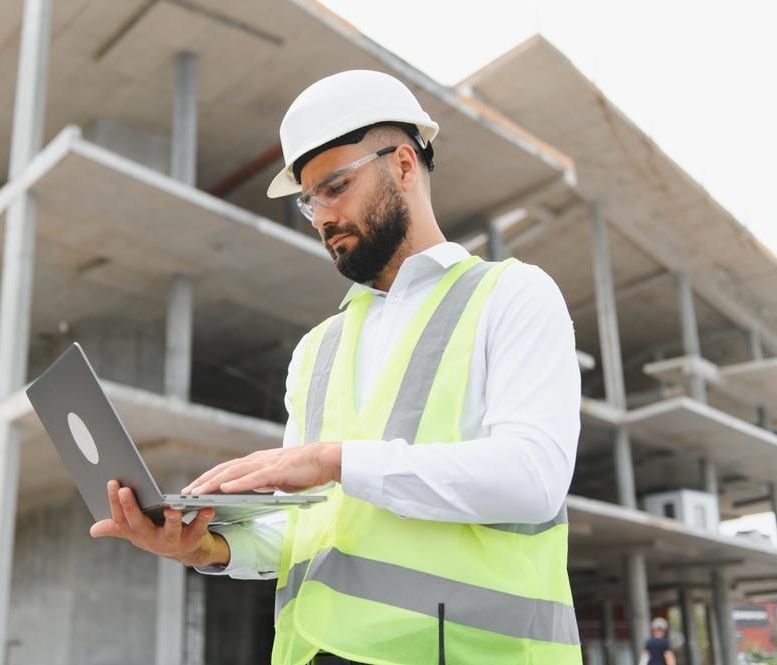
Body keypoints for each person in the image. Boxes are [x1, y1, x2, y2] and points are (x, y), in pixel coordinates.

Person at [90, 70, 582, 664]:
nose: (322, 216)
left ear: (403, 164)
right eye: (308, 200)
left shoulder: (512, 295)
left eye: (336, 187)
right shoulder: (316, 350)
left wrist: (331, 460)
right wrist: (205, 548)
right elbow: (311, 528)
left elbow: (534, 477)